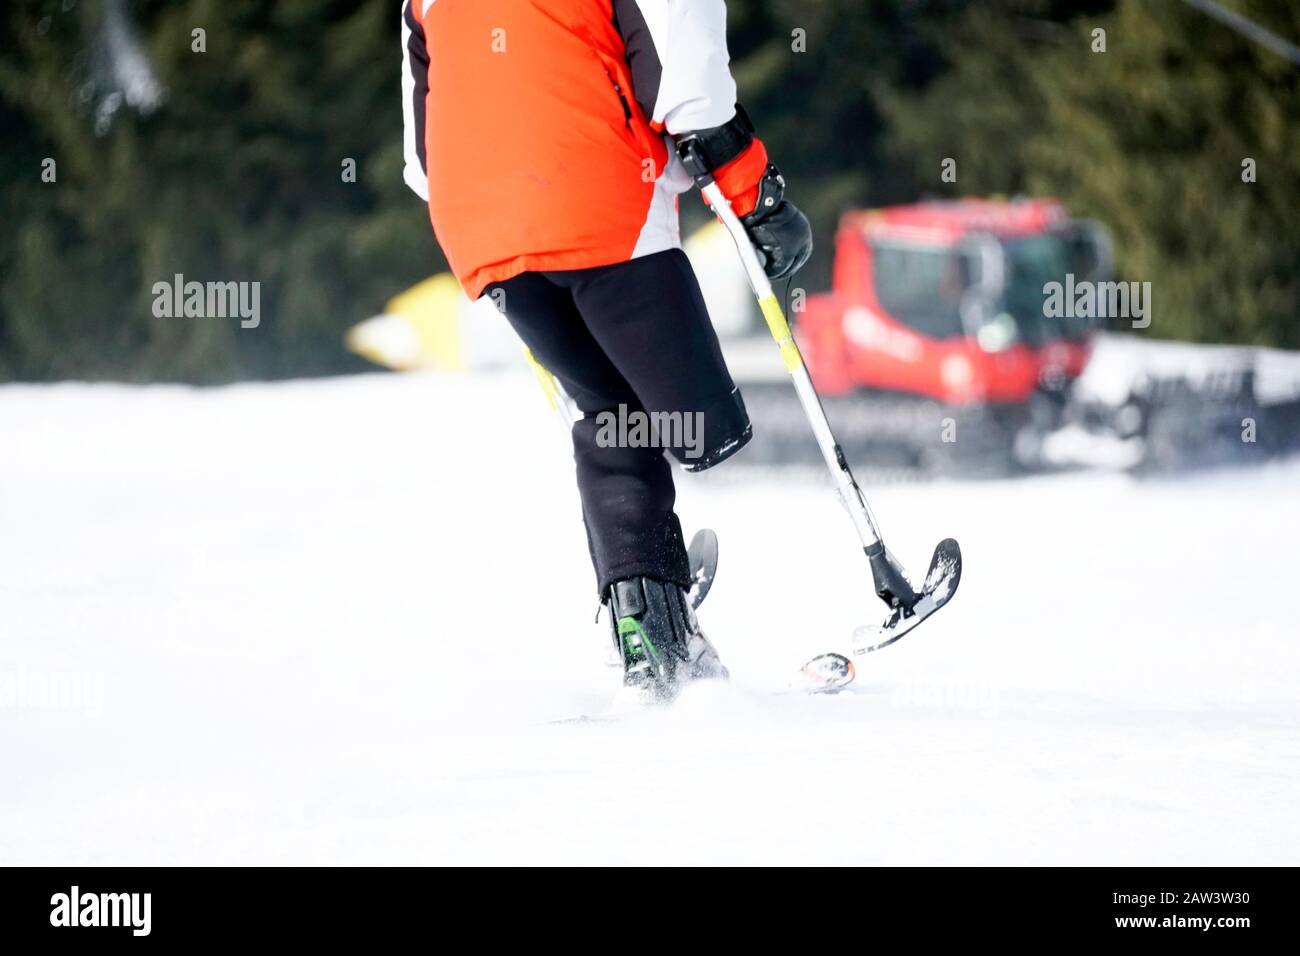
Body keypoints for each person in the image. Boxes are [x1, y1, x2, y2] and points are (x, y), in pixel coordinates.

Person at [401, 0, 811, 697]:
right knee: (697, 422)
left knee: (610, 414)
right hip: (599, 201)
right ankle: (662, 627)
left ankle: (651, 636)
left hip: (481, 234)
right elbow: (688, 75)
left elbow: (419, 158)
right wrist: (757, 197)